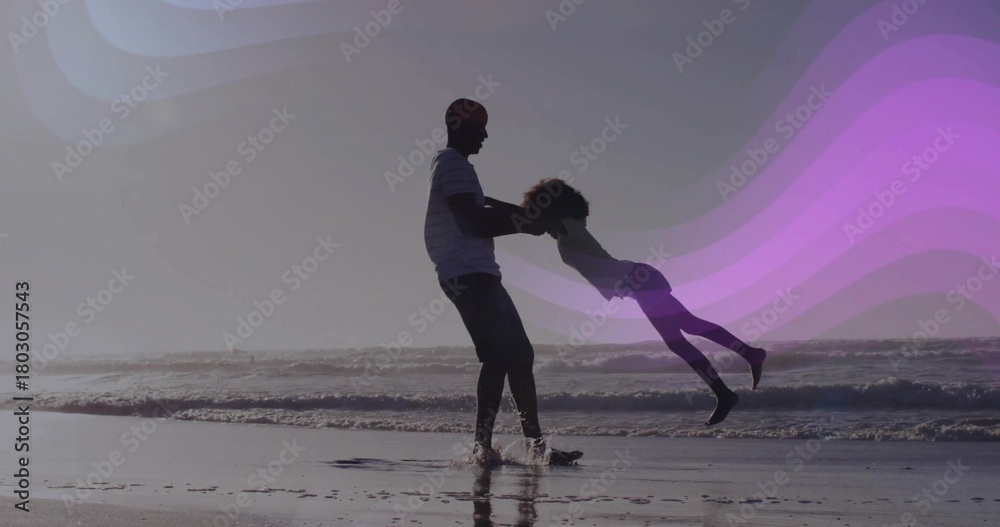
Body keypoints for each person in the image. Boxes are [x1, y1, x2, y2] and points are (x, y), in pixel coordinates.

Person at [515, 178, 767, 426]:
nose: (542, 228)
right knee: (690, 325)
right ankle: (750, 356)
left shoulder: (568, 226)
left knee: (677, 342)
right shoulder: (568, 230)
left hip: (639, 281)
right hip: (640, 281)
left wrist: (488, 202)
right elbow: (534, 220)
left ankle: (724, 393)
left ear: (550, 210)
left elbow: (531, 218)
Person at [423, 99, 581, 464]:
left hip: (472, 273)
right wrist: (525, 224)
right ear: (461, 126)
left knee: (518, 355)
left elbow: (480, 203)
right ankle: (484, 448)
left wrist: (524, 215)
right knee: (499, 356)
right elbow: (474, 222)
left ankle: (533, 447)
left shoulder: (449, 164)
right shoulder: (454, 164)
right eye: (481, 127)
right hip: (468, 273)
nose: (486, 135)